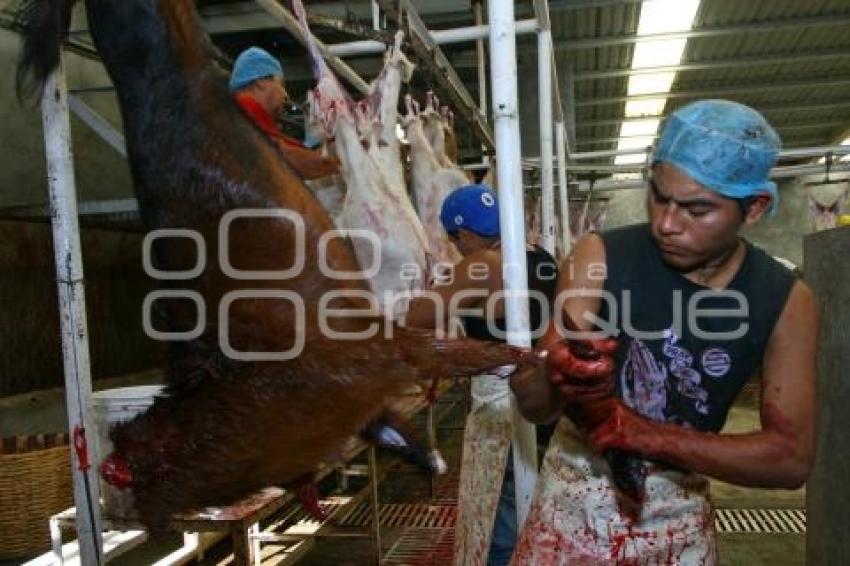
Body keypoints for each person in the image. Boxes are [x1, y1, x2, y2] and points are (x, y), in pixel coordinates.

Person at [509, 99, 817, 563]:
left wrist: (643, 434)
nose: (666, 224)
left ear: (753, 208)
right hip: (571, 500)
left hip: (679, 513)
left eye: (697, 209)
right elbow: (539, 409)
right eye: (658, 196)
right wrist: (543, 373)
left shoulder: (785, 300)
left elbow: (790, 458)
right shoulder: (600, 256)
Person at [404, 184, 559, 566]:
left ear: (468, 234)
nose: (456, 248)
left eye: (454, 240)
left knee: (498, 517)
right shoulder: (540, 256)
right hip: (548, 400)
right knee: (531, 505)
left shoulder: (483, 265)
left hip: (504, 404)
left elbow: (415, 320)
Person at [230, 47, 339, 180]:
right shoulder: (239, 119)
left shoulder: (243, 119)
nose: (286, 95)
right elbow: (281, 157)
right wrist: (344, 161)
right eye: (281, 85)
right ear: (261, 82)